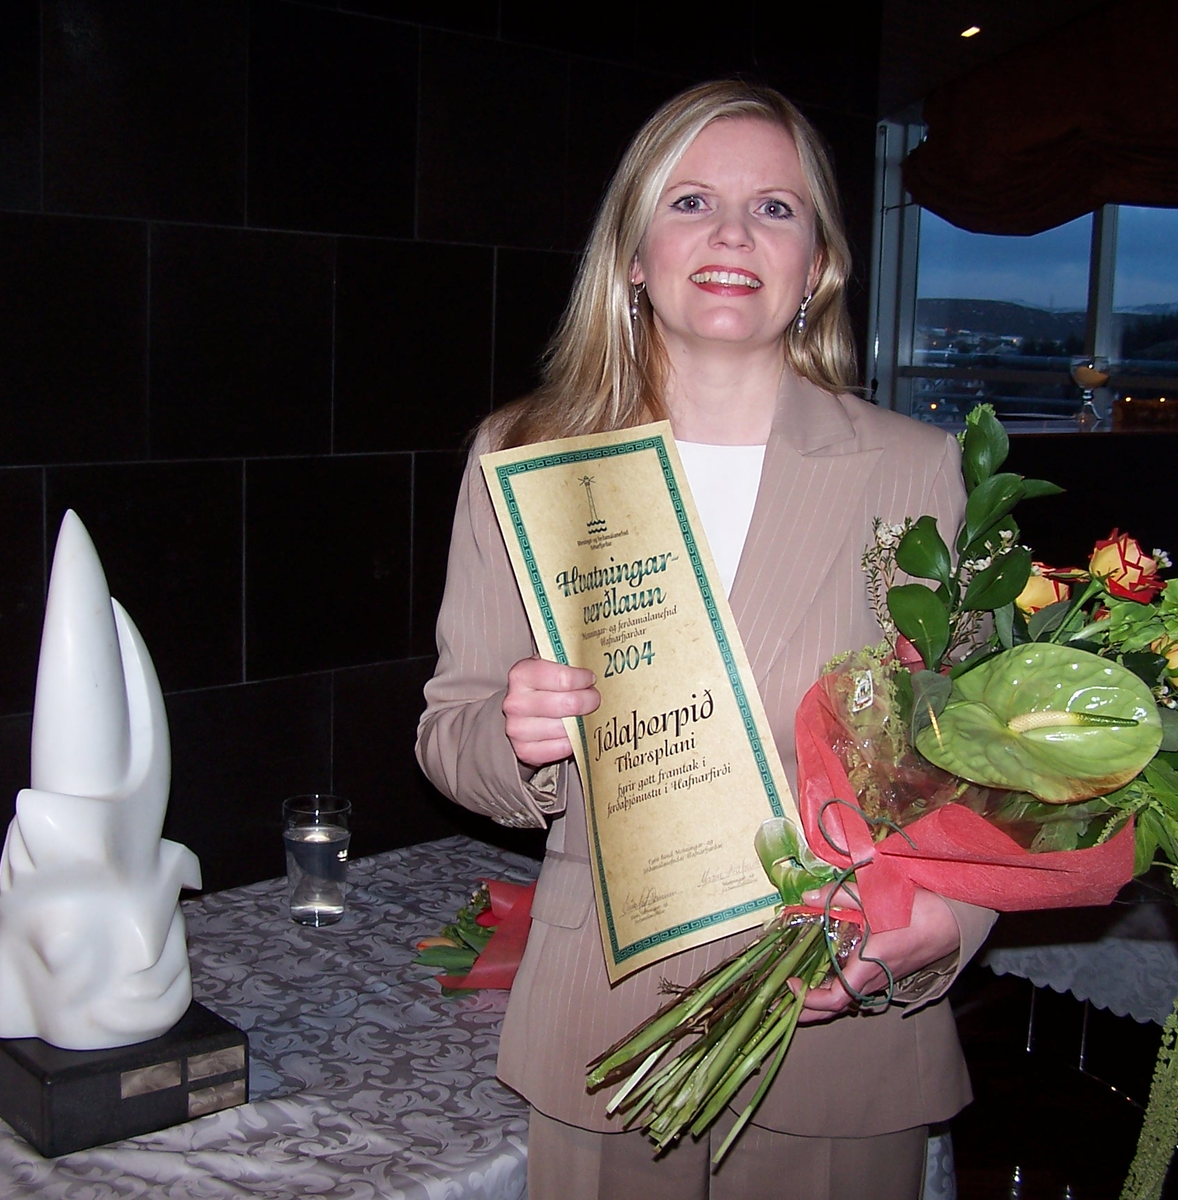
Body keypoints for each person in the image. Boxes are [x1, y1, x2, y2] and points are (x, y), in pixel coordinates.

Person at [416, 80, 994, 1200]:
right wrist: (515, 735)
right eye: (691, 202)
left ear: (817, 264)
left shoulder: (916, 471)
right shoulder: (526, 455)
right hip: (603, 1024)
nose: (733, 234)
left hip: (836, 1011)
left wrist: (950, 917)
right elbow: (450, 731)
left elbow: (984, 754)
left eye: (775, 208)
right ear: (634, 254)